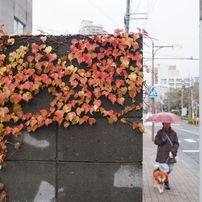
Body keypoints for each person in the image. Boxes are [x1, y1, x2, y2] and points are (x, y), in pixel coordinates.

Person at [154, 122, 179, 190]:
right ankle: (166, 182)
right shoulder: (160, 132)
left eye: (168, 123)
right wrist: (162, 141)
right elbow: (156, 141)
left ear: (170, 124)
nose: (167, 124)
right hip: (162, 154)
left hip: (170, 154)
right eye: (165, 123)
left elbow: (176, 143)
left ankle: (158, 174)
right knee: (166, 169)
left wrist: (173, 150)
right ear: (163, 124)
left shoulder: (174, 133)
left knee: (170, 168)